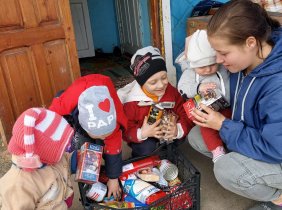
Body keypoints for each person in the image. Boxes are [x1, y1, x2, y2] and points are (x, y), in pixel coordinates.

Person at [189, 1, 282, 209]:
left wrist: (223, 125)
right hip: (254, 133)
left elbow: (275, 148)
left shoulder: (278, 85)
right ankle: (243, 163)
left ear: (250, 42)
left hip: (276, 152)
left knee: (226, 170)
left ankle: (278, 198)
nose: (219, 60)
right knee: (197, 135)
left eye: (224, 53)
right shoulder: (247, 59)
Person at [49, 74, 127, 200]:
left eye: (106, 134)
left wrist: (113, 178)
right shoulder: (65, 103)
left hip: (104, 98)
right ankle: (87, 184)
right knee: (82, 146)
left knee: (111, 142)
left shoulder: (114, 121)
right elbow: (51, 117)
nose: (103, 138)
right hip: (74, 99)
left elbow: (114, 146)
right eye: (99, 135)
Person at [118, 46, 194, 157]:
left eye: (164, 77)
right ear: (142, 83)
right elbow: (126, 131)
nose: (161, 85)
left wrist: (177, 129)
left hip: (166, 133)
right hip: (144, 137)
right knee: (146, 148)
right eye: (153, 82)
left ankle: (166, 152)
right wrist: (142, 133)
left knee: (178, 139)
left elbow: (184, 111)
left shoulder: (170, 91)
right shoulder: (131, 103)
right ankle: (142, 157)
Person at [0, 108, 76, 209]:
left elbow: (64, 161)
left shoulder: (50, 158)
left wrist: (75, 159)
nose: (69, 146)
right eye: (62, 148)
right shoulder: (18, 186)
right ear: (42, 155)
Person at [176, 29, 231, 162]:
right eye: (202, 67)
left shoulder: (223, 68)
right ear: (193, 64)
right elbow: (182, 87)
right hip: (206, 110)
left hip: (227, 106)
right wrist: (198, 88)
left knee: (230, 122)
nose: (207, 69)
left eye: (211, 64)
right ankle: (217, 150)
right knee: (206, 126)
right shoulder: (190, 73)